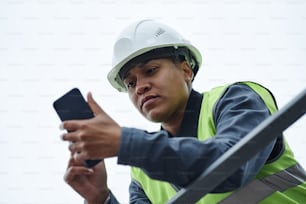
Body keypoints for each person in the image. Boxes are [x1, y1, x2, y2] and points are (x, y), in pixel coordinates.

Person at [60, 19, 306, 203]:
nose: (140, 87)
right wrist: (100, 198)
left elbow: (231, 167)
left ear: (187, 70)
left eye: (151, 70)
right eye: (131, 83)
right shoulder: (142, 174)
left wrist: (127, 144)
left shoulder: (236, 99)